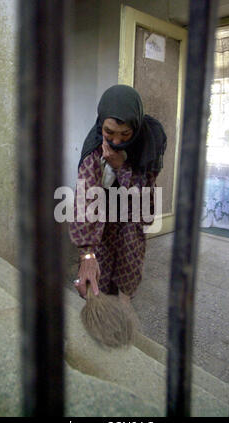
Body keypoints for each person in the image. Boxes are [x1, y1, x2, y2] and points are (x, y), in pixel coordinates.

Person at [69, 84, 167, 302]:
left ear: (136, 127)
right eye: (109, 132)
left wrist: (123, 168)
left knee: (129, 264)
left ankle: (124, 309)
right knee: (97, 272)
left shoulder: (149, 143)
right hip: (101, 218)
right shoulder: (94, 150)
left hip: (131, 218)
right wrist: (87, 254)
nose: (116, 141)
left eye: (125, 134)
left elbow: (144, 208)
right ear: (101, 125)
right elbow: (85, 202)